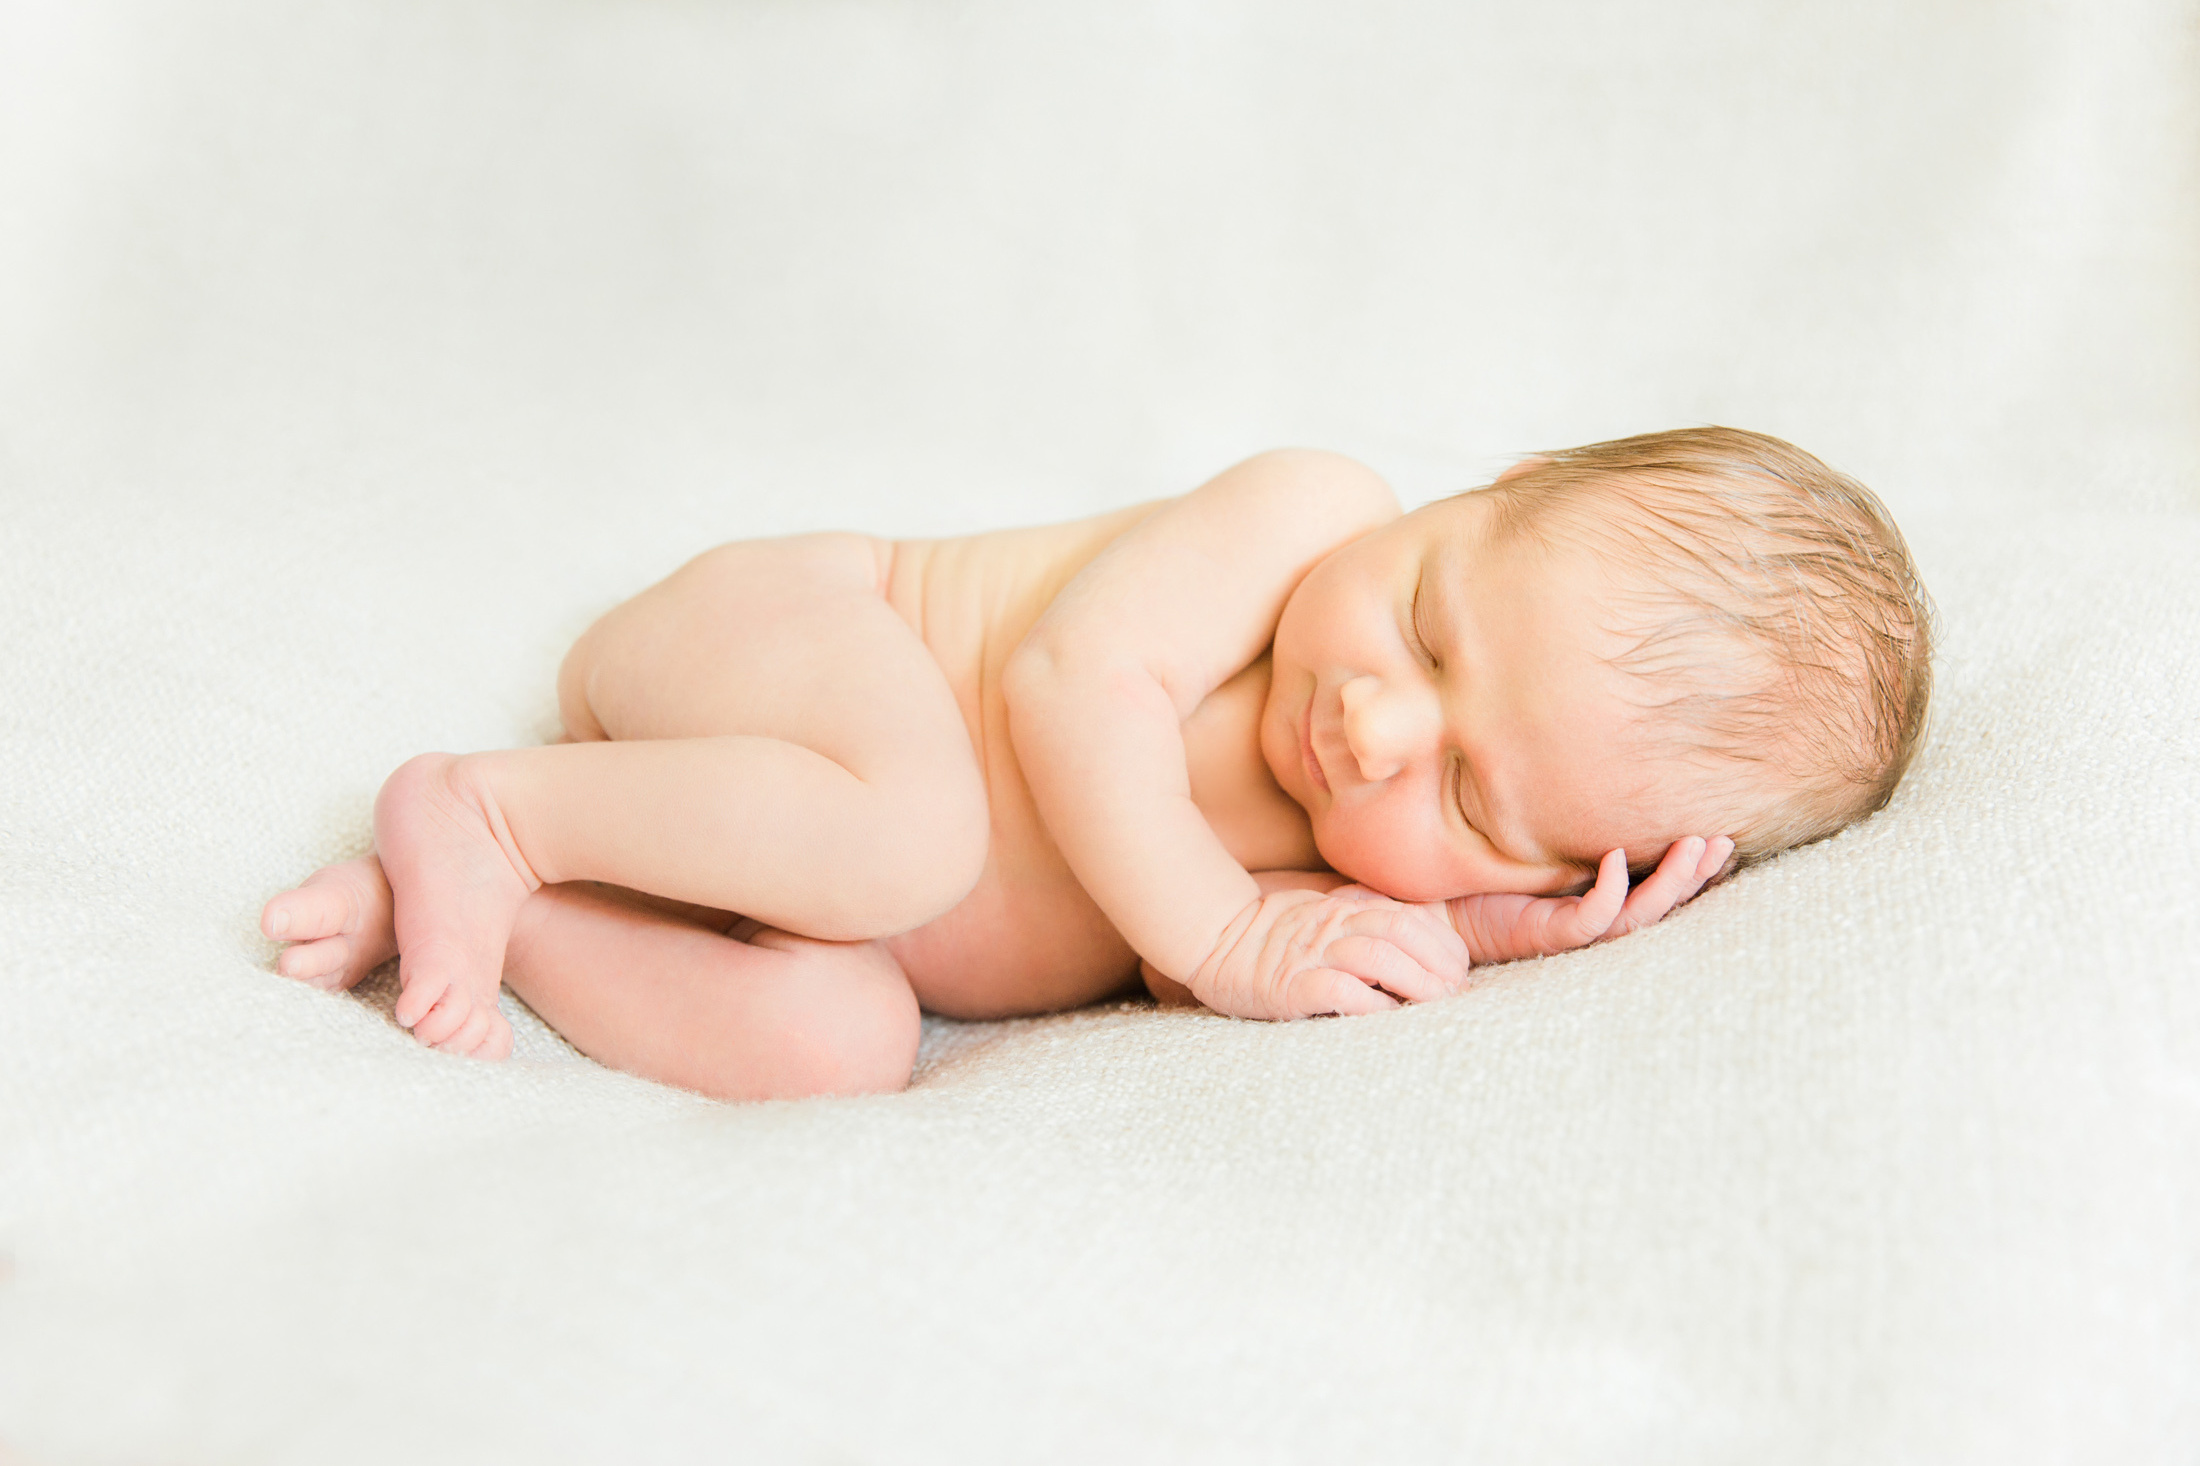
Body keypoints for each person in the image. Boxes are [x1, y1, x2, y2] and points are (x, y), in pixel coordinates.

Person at [260, 427, 1933, 1101]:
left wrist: (1478, 935)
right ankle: (487, 800)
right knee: (916, 830)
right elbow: (1072, 686)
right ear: (1479, 489)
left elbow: (1207, 948)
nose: (1376, 725)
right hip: (788, 635)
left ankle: (491, 894)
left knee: (843, 1045)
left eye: (1477, 801)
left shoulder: (1339, 872)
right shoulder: (1309, 517)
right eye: (1426, 626)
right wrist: (1226, 935)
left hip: (765, 857)